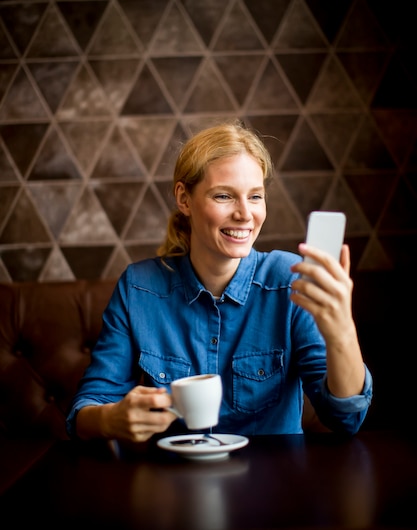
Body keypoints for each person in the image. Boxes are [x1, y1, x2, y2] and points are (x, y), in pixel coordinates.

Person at [66, 119, 372, 443]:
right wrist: (111, 419)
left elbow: (345, 418)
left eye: (255, 197)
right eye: (224, 196)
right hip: (174, 485)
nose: (245, 214)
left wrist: (342, 332)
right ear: (184, 199)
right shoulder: (138, 288)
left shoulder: (290, 280)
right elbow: (86, 411)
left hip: (272, 485)